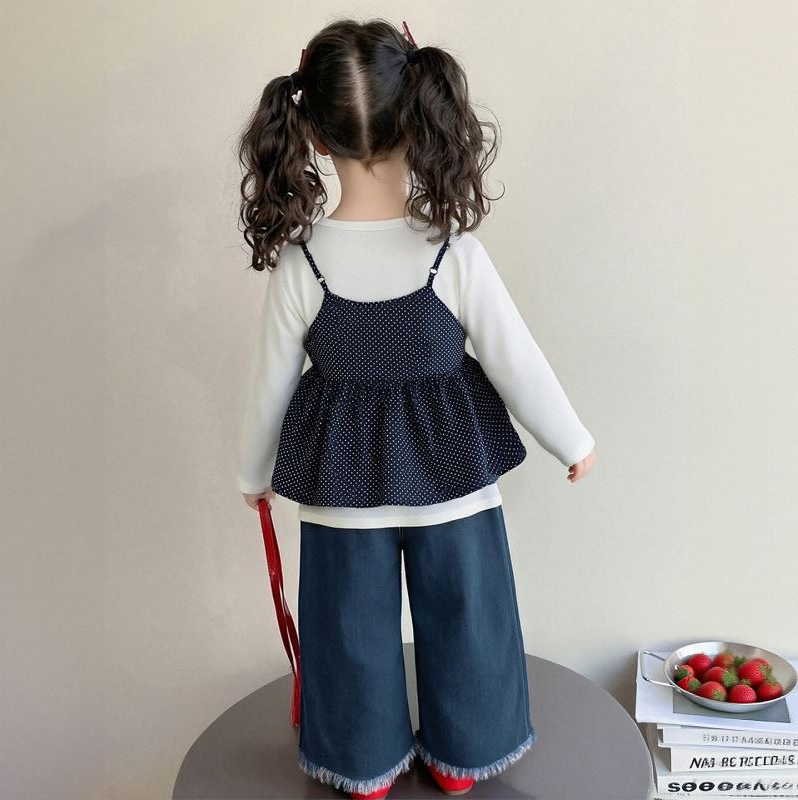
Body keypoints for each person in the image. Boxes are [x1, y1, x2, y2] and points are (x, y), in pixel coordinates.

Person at [234, 18, 596, 800]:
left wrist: (252, 475)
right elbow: (517, 360)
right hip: (453, 481)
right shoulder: (454, 251)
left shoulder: (301, 261)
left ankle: (361, 764)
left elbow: (269, 384)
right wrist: (573, 440)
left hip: (339, 493)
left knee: (347, 631)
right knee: (470, 621)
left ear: (315, 137)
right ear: (418, 119)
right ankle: (466, 755)